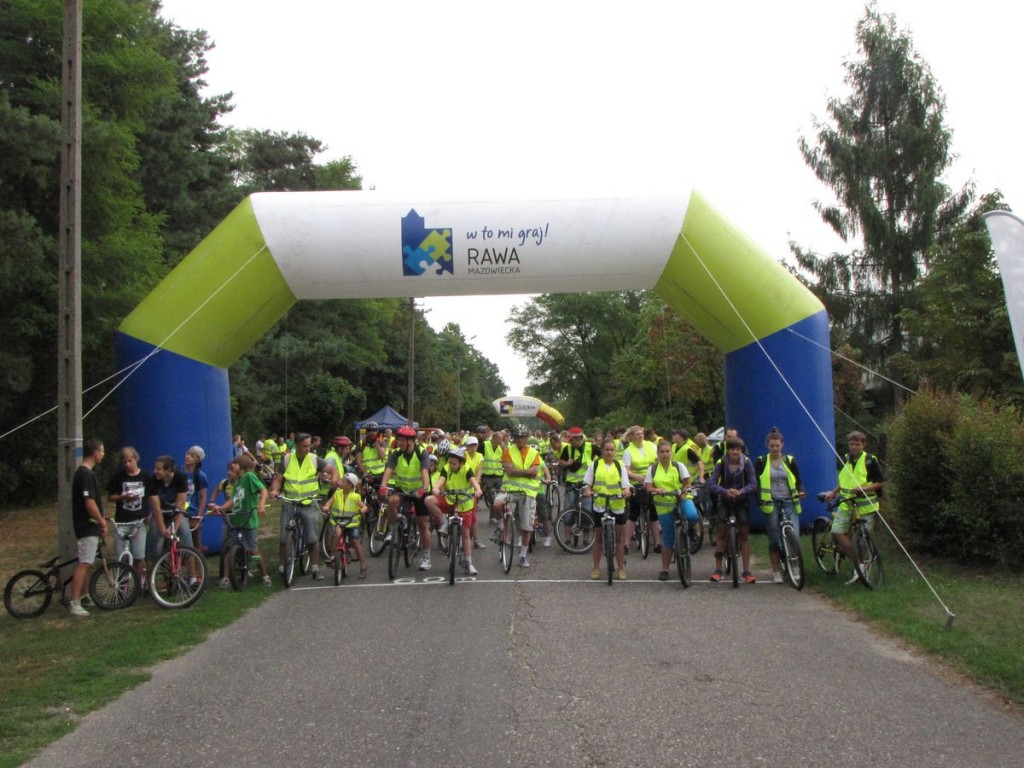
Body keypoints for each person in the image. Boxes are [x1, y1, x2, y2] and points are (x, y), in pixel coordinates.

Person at [269, 433, 335, 581]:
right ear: (297, 445)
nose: (307, 448)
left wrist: (334, 479)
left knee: (312, 538)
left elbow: (332, 470)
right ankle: (282, 567)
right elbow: (278, 479)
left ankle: (315, 568)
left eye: (309, 445)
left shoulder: (314, 459)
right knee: (284, 537)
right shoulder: (287, 459)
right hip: (290, 502)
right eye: (304, 446)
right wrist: (274, 490)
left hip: (308, 503)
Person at [825, 430, 885, 584]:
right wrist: (833, 492)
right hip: (846, 504)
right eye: (851, 444)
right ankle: (857, 562)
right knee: (837, 531)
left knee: (863, 540)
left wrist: (864, 489)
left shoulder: (870, 460)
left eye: (857, 444)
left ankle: (861, 567)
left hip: (865, 507)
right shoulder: (847, 459)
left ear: (863, 445)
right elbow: (845, 481)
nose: (854, 447)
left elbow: (881, 482)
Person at [378, 425, 435, 571]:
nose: (399, 442)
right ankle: (393, 530)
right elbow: (389, 470)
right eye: (398, 439)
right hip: (402, 488)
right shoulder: (396, 453)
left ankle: (426, 557)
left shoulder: (421, 452)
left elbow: (425, 471)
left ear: (411, 441)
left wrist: (423, 489)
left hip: (418, 491)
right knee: (391, 501)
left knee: (423, 524)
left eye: (402, 440)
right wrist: (383, 486)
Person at [210, 454, 272, 587]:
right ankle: (226, 577)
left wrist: (261, 505)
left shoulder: (249, 477)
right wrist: (221, 507)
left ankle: (265, 575)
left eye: (235, 463)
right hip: (236, 520)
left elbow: (263, 491)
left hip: (248, 520)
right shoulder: (237, 482)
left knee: (253, 550)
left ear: (242, 466)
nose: (232, 465)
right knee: (230, 548)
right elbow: (233, 500)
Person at [754, 428, 807, 584]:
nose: (775, 448)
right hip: (771, 503)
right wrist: (759, 498)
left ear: (782, 445)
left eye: (777, 445)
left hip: (789, 501)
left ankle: (795, 566)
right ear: (767, 446)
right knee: (774, 539)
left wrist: (801, 491)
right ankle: (776, 571)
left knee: (794, 537)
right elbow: (756, 483)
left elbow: (798, 480)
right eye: (772, 446)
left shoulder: (789, 460)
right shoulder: (762, 461)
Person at [708, 436, 757, 583]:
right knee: (721, 533)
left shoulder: (747, 462)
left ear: (741, 450)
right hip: (725, 500)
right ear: (727, 451)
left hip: (742, 500)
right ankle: (718, 569)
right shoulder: (721, 463)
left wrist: (741, 491)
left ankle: (746, 571)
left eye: (737, 449)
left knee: (744, 536)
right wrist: (725, 492)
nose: (735, 452)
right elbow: (712, 483)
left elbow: (753, 483)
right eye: (732, 449)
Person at [492, 424, 542, 568]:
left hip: (528, 493)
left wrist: (517, 471)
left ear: (526, 438)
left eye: (522, 437)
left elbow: (534, 472)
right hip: (509, 489)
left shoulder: (534, 452)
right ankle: (501, 525)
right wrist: (526, 472)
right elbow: (510, 472)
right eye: (517, 437)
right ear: (514, 438)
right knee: (497, 504)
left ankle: (522, 556)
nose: (520, 440)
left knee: (526, 527)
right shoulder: (508, 451)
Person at [582, 439, 632, 580]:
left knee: (619, 538)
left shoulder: (619, 465)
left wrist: (626, 490)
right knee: (598, 538)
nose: (609, 452)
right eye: (607, 450)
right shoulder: (595, 464)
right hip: (600, 503)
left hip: (617, 504)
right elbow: (588, 483)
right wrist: (588, 490)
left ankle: (621, 569)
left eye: (612, 450)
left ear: (615, 451)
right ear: (602, 450)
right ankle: (596, 568)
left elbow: (626, 484)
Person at [429, 447, 483, 575]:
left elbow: (474, 482)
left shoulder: (467, 469)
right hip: (449, 499)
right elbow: (441, 481)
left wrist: (478, 490)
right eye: (450, 462)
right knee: (429, 500)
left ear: (461, 463)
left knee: (465, 533)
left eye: (454, 463)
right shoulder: (446, 468)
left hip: (465, 503)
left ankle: (469, 563)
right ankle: (444, 521)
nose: (451, 465)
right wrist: (436, 488)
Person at [69, 439, 108, 617]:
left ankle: (84, 595)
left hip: (90, 526)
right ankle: (74, 601)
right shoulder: (85, 474)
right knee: (84, 562)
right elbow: (89, 503)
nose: (103, 455)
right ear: (95, 452)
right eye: (102, 451)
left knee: (89, 561)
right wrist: (101, 521)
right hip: (86, 525)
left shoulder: (87, 473)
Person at [645, 440, 693, 581]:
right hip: (663, 506)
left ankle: (690, 533)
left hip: (680, 499)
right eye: (662, 452)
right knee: (667, 538)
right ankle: (665, 569)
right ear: (658, 453)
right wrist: (656, 489)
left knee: (692, 515)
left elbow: (687, 483)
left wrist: (683, 492)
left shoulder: (679, 466)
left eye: (667, 451)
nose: (665, 454)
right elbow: (648, 487)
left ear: (671, 452)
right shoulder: (653, 469)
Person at [105, 446, 151, 589]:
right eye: (124, 462)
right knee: (121, 556)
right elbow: (110, 497)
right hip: (122, 521)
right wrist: (123, 497)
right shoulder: (118, 476)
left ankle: (136, 585)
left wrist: (150, 514)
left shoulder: (145, 476)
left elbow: (153, 497)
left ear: (136, 459)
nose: (127, 465)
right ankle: (123, 585)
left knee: (139, 555)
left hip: (139, 521)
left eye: (129, 461)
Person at [147, 455, 198, 580]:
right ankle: (149, 580)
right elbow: (156, 508)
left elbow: (181, 505)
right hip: (160, 513)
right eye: (155, 468)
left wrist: (173, 529)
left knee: (186, 539)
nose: (155, 471)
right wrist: (163, 529)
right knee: (155, 545)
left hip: (176, 513)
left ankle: (192, 577)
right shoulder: (152, 480)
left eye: (158, 469)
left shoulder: (180, 478)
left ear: (169, 470)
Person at [622, 425, 661, 555]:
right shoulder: (628, 451)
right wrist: (635, 476)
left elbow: (659, 461)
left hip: (652, 482)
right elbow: (626, 470)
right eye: (637, 434)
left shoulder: (651, 446)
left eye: (641, 434)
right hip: (636, 484)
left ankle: (657, 543)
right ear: (631, 437)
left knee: (654, 514)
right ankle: (626, 544)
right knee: (633, 513)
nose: (640, 436)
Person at [322, 472, 368, 578]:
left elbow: (364, 506)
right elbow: (329, 502)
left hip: (352, 523)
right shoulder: (337, 493)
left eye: (343, 481)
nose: (340, 482)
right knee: (337, 535)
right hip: (339, 521)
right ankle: (333, 556)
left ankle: (363, 567)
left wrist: (363, 509)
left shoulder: (355, 496)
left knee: (355, 542)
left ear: (350, 485)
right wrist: (326, 507)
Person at [182, 445, 209, 552]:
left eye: (191, 455)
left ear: (197, 460)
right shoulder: (178, 471)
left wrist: (199, 516)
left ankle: (196, 561)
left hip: (192, 512)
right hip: (179, 511)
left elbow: (203, 497)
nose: (187, 456)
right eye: (187, 453)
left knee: (195, 542)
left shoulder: (200, 476)